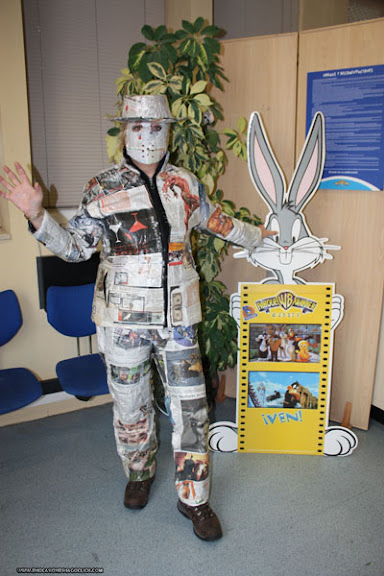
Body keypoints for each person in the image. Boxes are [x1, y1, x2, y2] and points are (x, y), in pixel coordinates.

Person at [0, 94, 276, 541]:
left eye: (155, 126)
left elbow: (220, 223)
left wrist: (261, 237)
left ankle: (195, 500)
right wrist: (37, 216)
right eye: (137, 126)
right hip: (122, 320)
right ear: (124, 130)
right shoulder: (102, 187)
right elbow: (75, 248)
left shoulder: (185, 184)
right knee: (131, 407)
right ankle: (140, 472)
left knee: (192, 410)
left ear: (168, 130)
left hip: (179, 320)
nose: (147, 135)